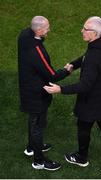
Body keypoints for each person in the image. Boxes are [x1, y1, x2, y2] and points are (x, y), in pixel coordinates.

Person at [43, 16, 101, 173]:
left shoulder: (95, 56)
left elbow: (85, 85)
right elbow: (87, 57)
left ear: (94, 33)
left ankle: (82, 158)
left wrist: (60, 89)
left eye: (85, 29)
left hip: (92, 99)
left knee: (84, 125)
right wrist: (74, 64)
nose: (81, 31)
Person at [18, 16, 72, 171]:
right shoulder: (36, 50)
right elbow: (52, 75)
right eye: (47, 27)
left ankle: (31, 147)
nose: (49, 30)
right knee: (38, 126)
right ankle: (39, 161)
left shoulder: (24, 36)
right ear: (39, 30)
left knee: (33, 120)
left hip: (28, 89)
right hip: (36, 94)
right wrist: (66, 71)